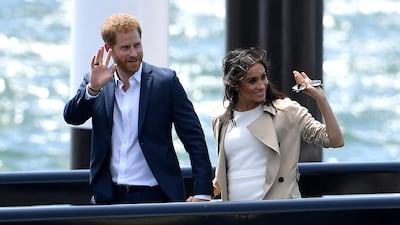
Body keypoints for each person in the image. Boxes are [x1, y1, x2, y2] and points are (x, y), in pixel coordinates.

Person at [64, 13, 213, 204]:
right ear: (109, 49)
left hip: (156, 197)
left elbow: (194, 139)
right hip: (107, 198)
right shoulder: (95, 82)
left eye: (137, 45)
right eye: (126, 47)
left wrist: (202, 193)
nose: (134, 53)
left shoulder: (166, 82)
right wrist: (92, 89)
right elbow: (71, 117)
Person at [211, 47, 344, 201]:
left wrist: (320, 98)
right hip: (234, 215)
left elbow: (334, 140)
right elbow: (230, 170)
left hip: (277, 212)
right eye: (252, 81)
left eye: (263, 77)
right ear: (235, 85)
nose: (261, 85)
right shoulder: (221, 118)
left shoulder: (287, 112)